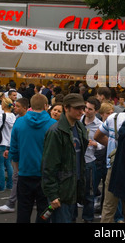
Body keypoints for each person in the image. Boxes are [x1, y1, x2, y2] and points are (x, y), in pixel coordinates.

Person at [94, 93, 125, 223]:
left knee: (109, 205)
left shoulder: (113, 117)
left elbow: (97, 136)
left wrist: (113, 147)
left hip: (113, 165)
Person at [9, 93, 56, 223]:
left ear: (30, 105)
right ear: (46, 106)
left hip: (25, 172)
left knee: (23, 209)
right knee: (44, 211)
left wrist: (18, 168)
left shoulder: (19, 122)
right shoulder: (53, 125)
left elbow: (14, 149)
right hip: (45, 175)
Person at [42, 93, 89, 223]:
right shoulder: (55, 131)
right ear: (66, 108)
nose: (81, 111)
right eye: (77, 108)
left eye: (82, 107)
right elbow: (48, 165)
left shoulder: (79, 127)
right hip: (61, 190)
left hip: (73, 187)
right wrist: (53, 195)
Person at [0, 97, 29, 213]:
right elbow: (14, 137)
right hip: (17, 151)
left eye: (18, 106)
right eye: (15, 106)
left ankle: (11, 203)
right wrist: (9, 148)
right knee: (17, 177)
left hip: (23, 154)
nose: (15, 107)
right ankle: (12, 202)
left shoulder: (25, 120)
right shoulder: (17, 118)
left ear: (25, 108)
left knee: (18, 177)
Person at [81, 96, 103, 223]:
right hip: (77, 161)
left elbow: (105, 143)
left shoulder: (100, 125)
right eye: (86, 108)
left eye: (90, 109)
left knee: (89, 193)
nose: (86, 111)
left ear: (96, 111)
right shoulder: (79, 120)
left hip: (89, 161)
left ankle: (88, 218)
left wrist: (96, 144)